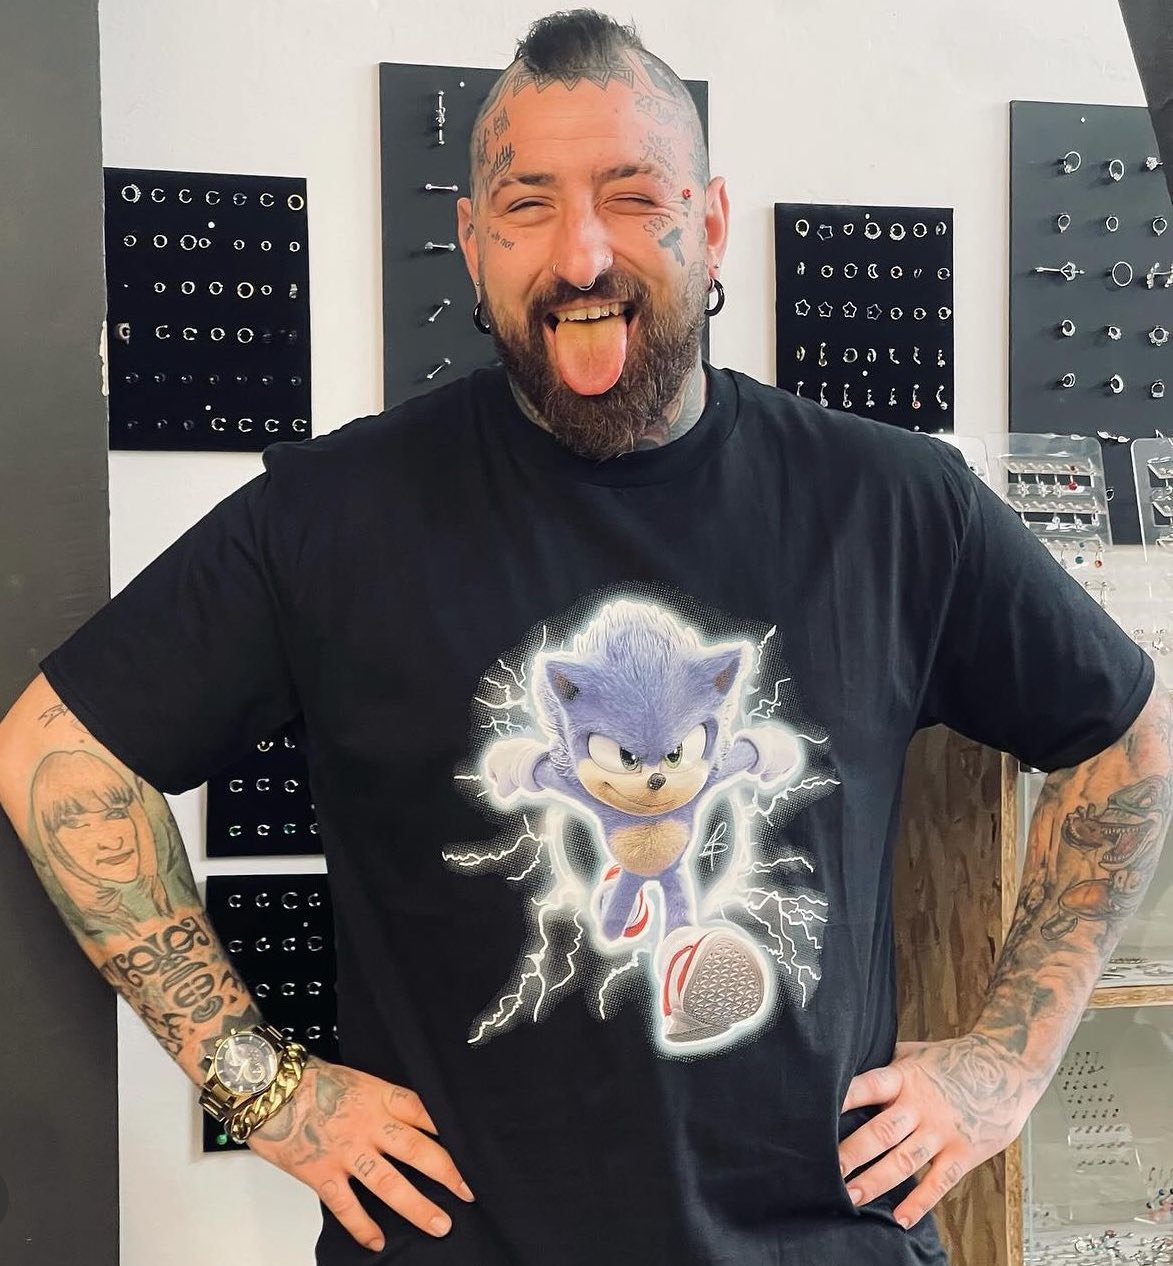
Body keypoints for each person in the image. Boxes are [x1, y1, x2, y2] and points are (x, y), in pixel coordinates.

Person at [0, 9, 1169, 1265]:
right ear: (471, 243)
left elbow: (1128, 739)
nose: (583, 253)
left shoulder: (892, 505)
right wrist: (266, 1089)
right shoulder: (334, 516)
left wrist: (1008, 1062)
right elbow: (55, 756)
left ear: (710, 223)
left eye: (633, 195)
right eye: (528, 206)